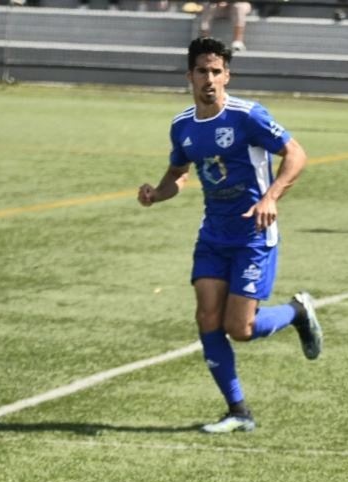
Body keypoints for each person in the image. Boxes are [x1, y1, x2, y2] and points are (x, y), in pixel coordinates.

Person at [137, 37, 323, 434]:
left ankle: (297, 312)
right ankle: (238, 410)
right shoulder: (182, 125)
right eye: (202, 71)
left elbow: (296, 154)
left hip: (254, 236)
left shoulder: (248, 116)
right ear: (190, 76)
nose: (210, 79)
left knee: (240, 329)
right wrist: (156, 194)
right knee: (206, 315)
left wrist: (271, 196)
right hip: (213, 236)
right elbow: (177, 176)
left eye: (217, 71)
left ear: (227, 75)